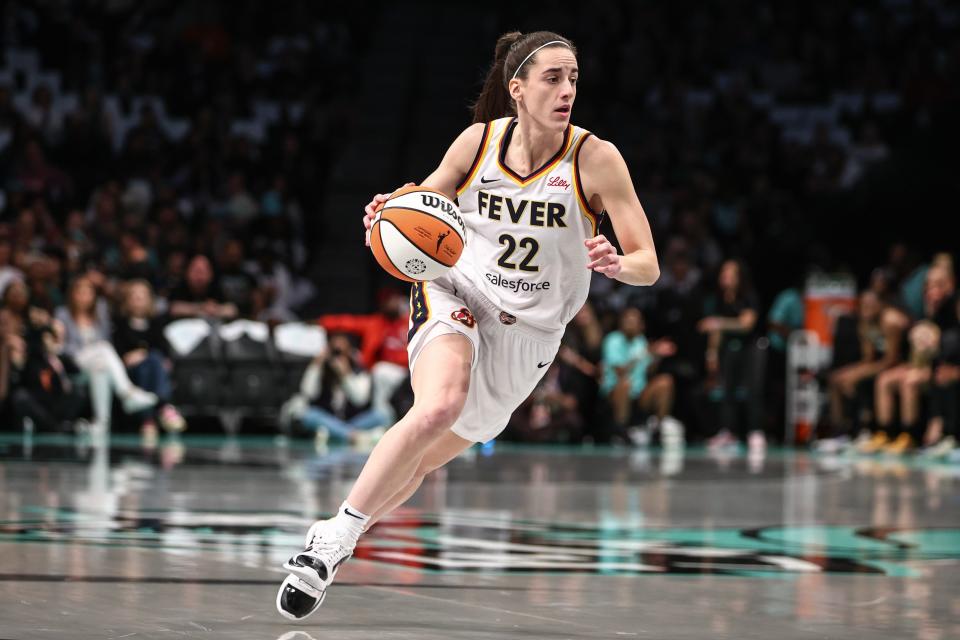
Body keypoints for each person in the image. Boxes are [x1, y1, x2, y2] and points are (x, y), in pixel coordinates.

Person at [276, 31, 659, 619]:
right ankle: (330, 544)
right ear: (517, 88)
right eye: (552, 77)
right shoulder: (477, 143)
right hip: (456, 286)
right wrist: (388, 214)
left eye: (573, 78)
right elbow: (423, 206)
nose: (566, 90)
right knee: (437, 407)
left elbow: (648, 264)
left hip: (529, 336)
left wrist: (616, 263)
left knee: (423, 459)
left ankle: (341, 530)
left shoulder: (596, 158)